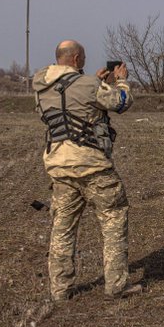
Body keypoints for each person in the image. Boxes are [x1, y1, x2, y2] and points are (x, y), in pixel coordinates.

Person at [32, 40, 141, 301]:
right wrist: (122, 81)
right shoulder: (90, 86)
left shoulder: (41, 87)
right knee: (113, 220)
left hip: (59, 166)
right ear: (77, 58)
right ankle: (116, 285)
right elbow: (121, 102)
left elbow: (69, 102)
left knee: (62, 228)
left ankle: (60, 290)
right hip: (92, 166)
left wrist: (92, 80)